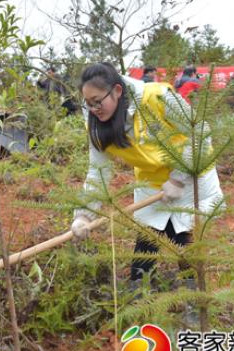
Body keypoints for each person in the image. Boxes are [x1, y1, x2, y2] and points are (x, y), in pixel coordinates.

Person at [71, 63, 224, 288]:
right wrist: (85, 216)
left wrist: (178, 178)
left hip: (192, 176)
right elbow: (98, 170)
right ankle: (138, 300)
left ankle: (194, 304)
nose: (94, 109)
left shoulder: (158, 97)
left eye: (97, 101)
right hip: (151, 181)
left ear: (117, 91)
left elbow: (200, 133)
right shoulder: (94, 121)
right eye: (88, 103)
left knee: (185, 242)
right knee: (146, 242)